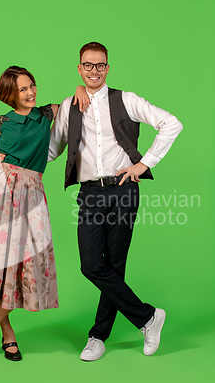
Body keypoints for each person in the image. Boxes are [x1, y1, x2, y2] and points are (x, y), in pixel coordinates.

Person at [48, 42, 183, 361]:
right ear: (79, 68)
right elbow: (52, 150)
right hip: (90, 193)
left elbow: (171, 124)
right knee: (92, 265)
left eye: (100, 65)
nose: (94, 70)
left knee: (115, 265)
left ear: (107, 68)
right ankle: (148, 317)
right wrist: (16, 150)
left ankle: (97, 336)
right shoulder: (71, 105)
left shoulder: (127, 100)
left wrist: (144, 163)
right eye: (88, 65)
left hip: (123, 188)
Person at [0, 66, 88, 361]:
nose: (30, 93)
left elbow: (73, 101)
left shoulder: (45, 115)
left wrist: (79, 89)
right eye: (22, 89)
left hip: (32, 194)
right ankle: (8, 335)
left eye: (32, 86)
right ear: (9, 94)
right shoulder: (0, 122)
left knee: (24, 266)